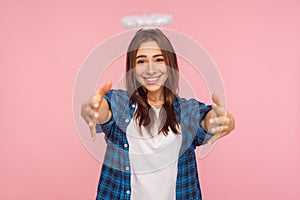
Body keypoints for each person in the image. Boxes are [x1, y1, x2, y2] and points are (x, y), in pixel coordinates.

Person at [81, 28, 235, 200]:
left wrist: (223, 121)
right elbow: (103, 110)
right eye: (141, 61)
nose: (150, 69)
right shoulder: (119, 104)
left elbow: (207, 120)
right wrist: (93, 108)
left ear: (170, 65)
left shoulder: (187, 111)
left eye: (158, 59)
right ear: (132, 67)